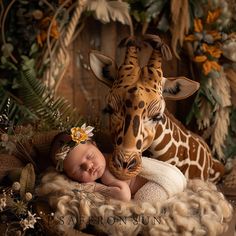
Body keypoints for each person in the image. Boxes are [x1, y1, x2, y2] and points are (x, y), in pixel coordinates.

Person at [50, 124, 186, 202]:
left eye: (89, 156)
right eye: (79, 169)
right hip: (174, 175)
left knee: (140, 203)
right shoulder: (109, 156)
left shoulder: (108, 172)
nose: (89, 166)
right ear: (70, 176)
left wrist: (96, 188)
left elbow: (124, 196)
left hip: (161, 183)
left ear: (95, 145)